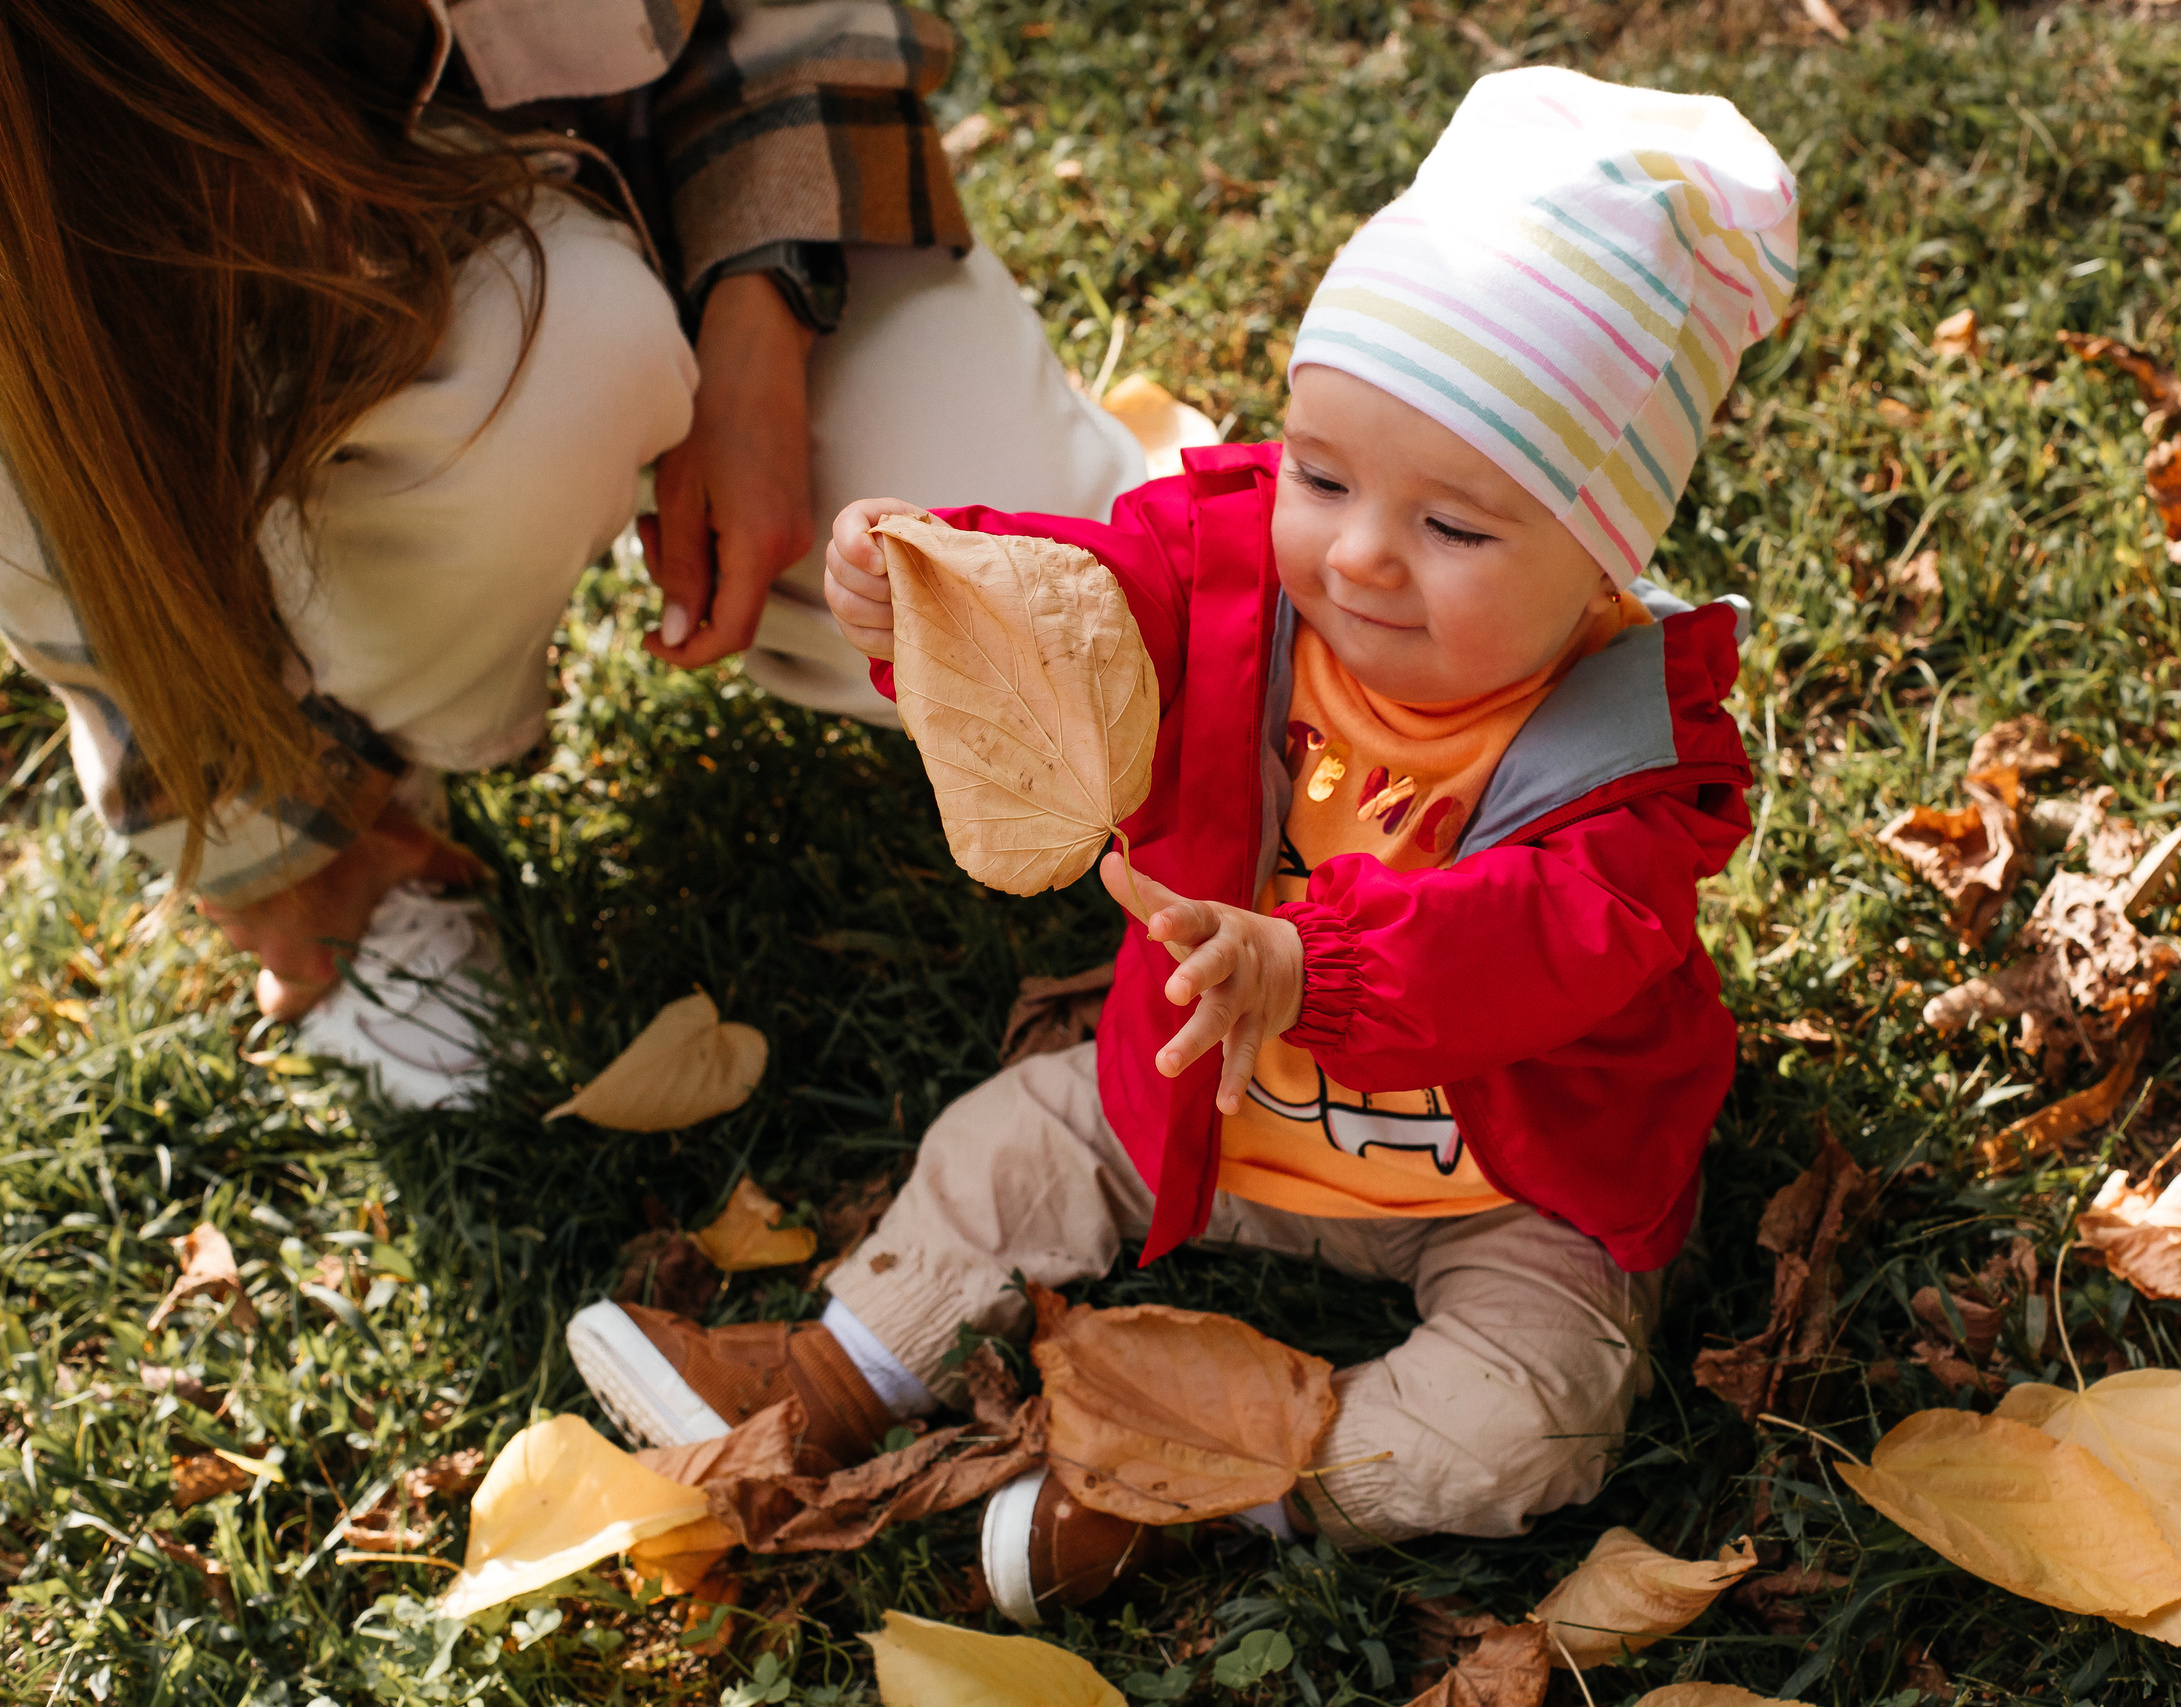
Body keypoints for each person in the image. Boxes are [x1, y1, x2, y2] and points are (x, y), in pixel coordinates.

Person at [566, 65, 1796, 1615]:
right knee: (1014, 1144)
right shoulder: (1231, 567)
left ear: (1606, 548)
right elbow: (1087, 607)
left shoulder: (1633, 754)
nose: (1357, 551)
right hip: (1208, 1099)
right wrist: (942, 591)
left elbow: (1550, 936)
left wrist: (1312, 960)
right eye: (1326, 472)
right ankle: (818, 1375)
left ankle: (1206, 1493)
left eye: (1457, 525)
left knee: (1529, 1413)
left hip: (1503, 1178)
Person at [0, 0, 1144, 1104]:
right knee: (570, 351)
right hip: (318, 303)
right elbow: (45, 505)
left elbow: (792, 12)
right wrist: (265, 840)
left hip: (673, 130)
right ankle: (368, 806)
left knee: (1049, 608)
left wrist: (767, 301)